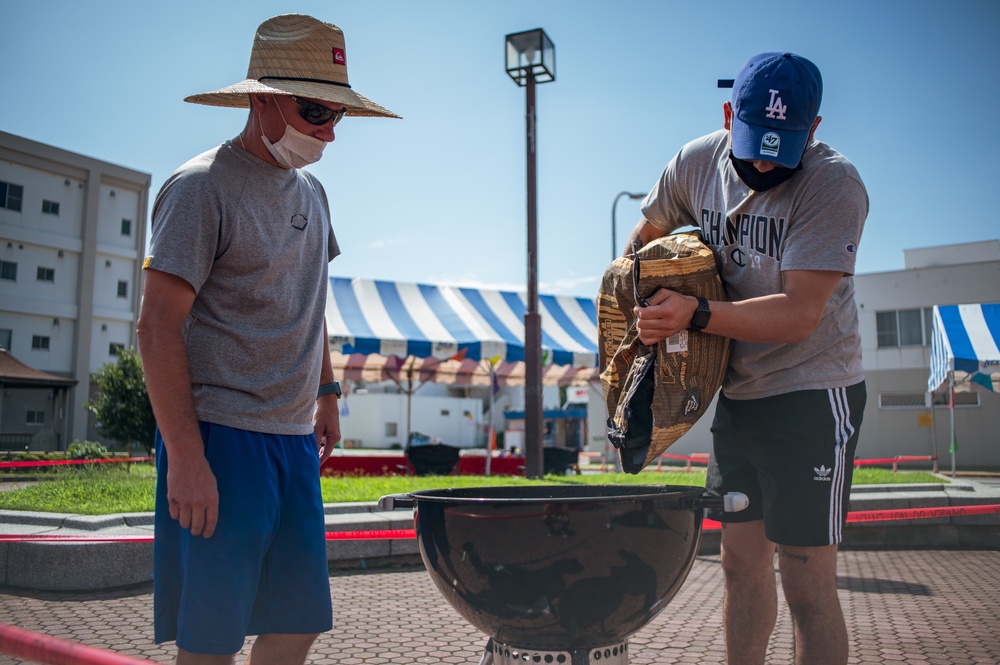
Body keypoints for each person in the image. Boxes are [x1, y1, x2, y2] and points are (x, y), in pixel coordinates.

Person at [136, 14, 398, 665]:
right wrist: (187, 457)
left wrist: (329, 392)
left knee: (299, 619)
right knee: (212, 637)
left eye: (337, 113)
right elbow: (155, 325)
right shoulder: (201, 187)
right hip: (221, 437)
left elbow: (311, 299)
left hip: (291, 440)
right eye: (315, 110)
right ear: (261, 98)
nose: (329, 131)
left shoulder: (314, 191)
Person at [625, 52, 867, 665]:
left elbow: (798, 315)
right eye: (754, 140)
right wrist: (641, 292)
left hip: (814, 392)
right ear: (730, 113)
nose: (762, 160)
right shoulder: (696, 161)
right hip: (739, 393)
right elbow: (646, 236)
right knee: (739, 566)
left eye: (781, 147)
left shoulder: (834, 184)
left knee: (807, 582)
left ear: (812, 131)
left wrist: (696, 314)